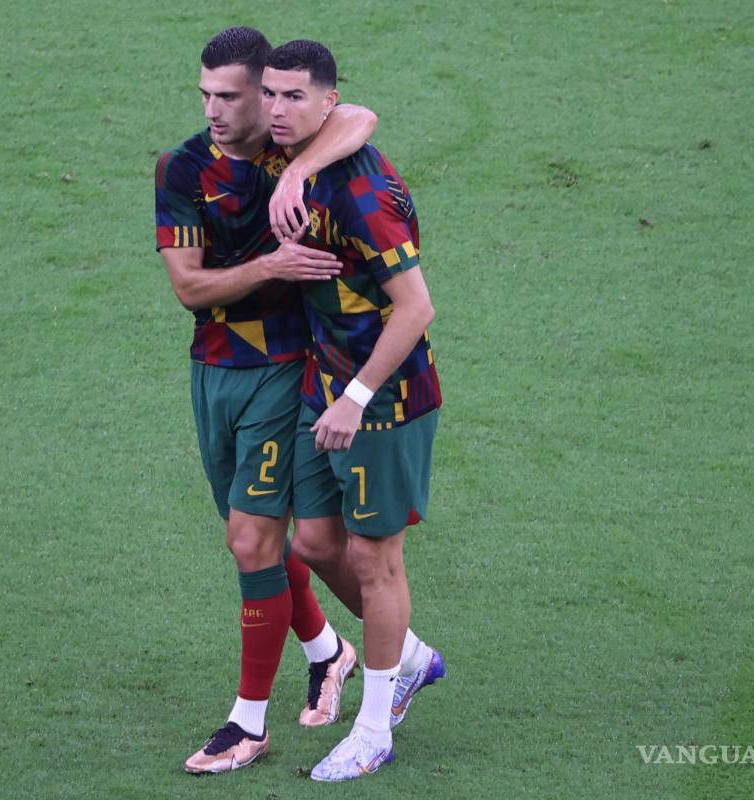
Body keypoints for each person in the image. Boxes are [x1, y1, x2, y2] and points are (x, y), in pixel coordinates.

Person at [154, 26, 375, 775]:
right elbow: (188, 287)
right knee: (258, 544)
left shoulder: (294, 147)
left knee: (251, 542)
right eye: (205, 95)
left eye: (230, 96)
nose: (215, 110)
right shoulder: (183, 168)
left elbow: (361, 116)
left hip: (287, 368)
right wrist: (275, 261)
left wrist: (296, 172)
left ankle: (247, 724)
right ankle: (330, 650)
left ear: (266, 96)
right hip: (213, 371)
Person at [261, 39, 446, 781]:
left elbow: (416, 309)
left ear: (325, 102)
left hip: (385, 396)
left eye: (294, 96)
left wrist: (357, 398)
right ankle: (407, 656)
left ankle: (374, 729)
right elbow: (360, 112)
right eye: (269, 93)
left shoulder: (361, 198)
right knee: (311, 543)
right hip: (323, 381)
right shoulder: (297, 153)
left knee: (375, 559)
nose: (276, 108)